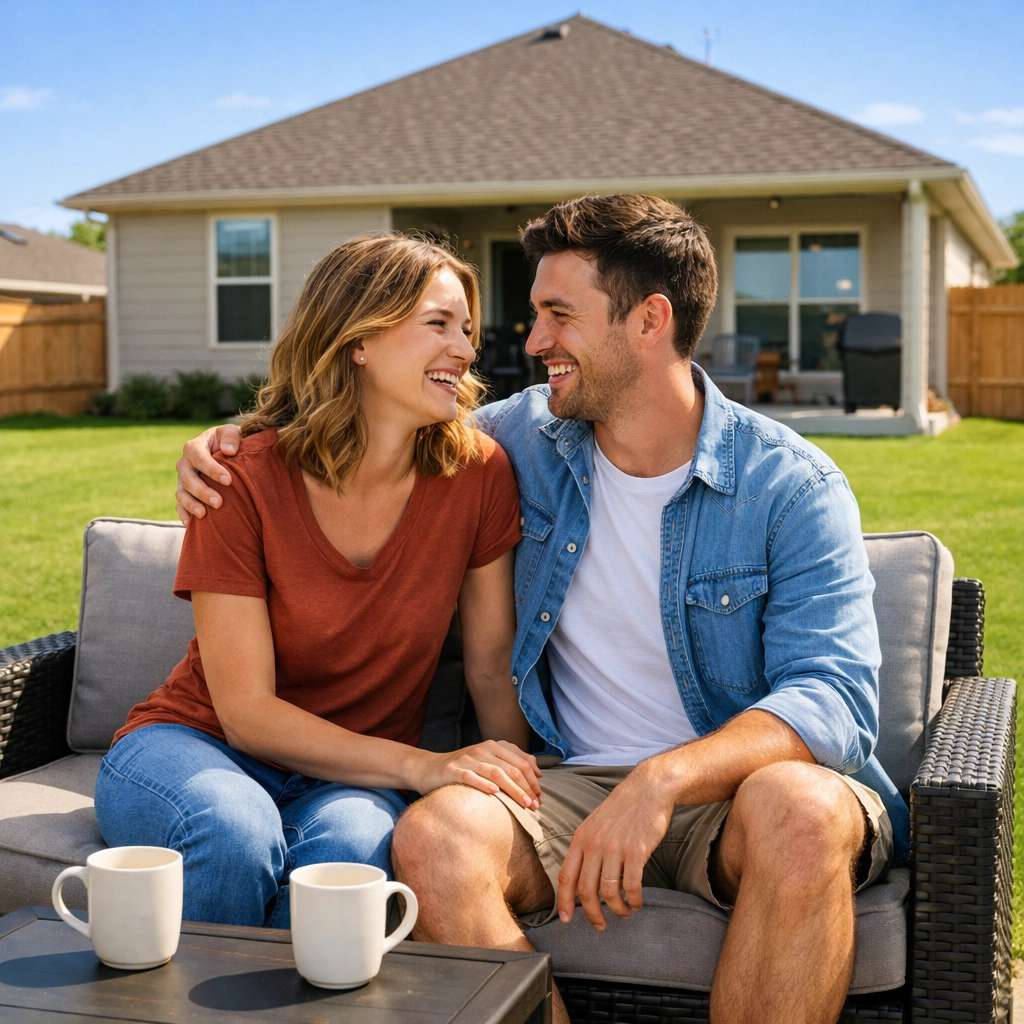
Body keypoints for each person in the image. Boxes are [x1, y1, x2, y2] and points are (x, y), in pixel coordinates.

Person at [175, 196, 908, 1024]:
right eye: (533, 316)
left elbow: (832, 697)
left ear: (649, 321)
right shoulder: (511, 442)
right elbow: (360, 411)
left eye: (558, 315)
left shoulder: (791, 486)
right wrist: (226, 444)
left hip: (735, 796)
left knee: (804, 810)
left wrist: (661, 781)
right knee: (436, 838)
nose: (531, 343)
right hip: (568, 783)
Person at [97, 235, 543, 929]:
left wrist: (513, 784)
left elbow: (490, 670)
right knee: (234, 833)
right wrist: (422, 767)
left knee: (348, 859)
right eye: (437, 324)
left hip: (351, 781)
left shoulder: (478, 475)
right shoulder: (237, 476)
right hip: (197, 744)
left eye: (466, 330)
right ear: (357, 339)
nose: (464, 348)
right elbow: (245, 711)